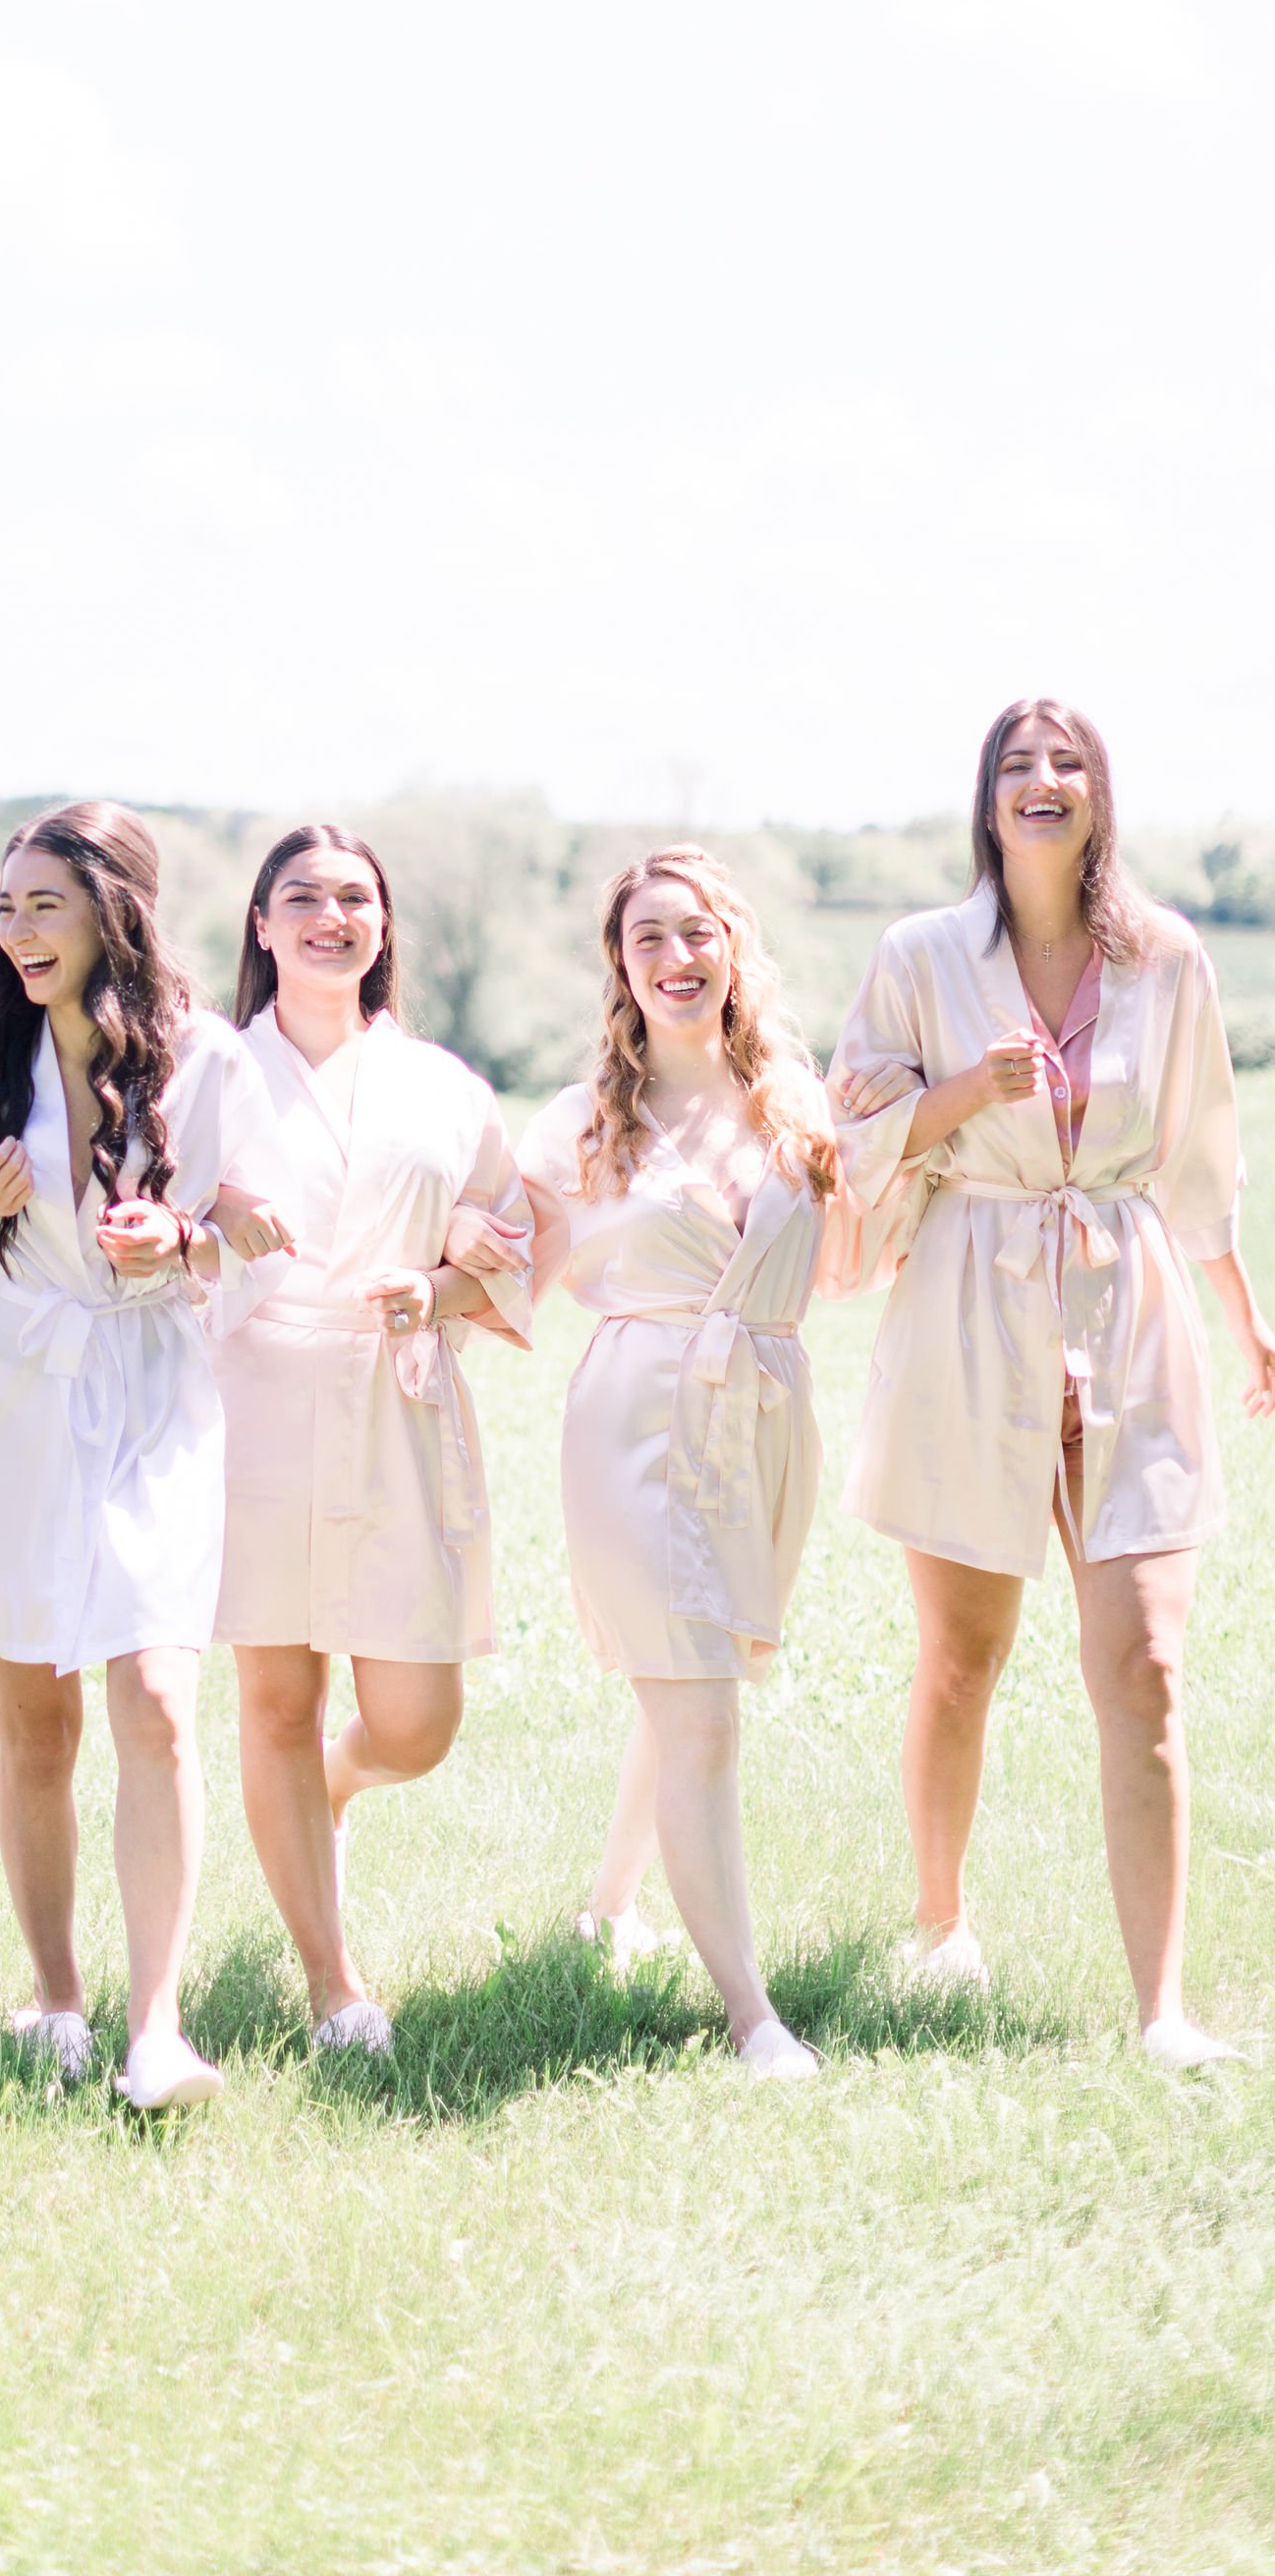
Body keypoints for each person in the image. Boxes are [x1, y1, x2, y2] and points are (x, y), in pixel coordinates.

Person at [829, 699, 1275, 2066]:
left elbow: (1200, 1159)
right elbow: (850, 1135)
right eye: (1018, 764)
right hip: (971, 1304)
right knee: (963, 1659)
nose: (1043, 779)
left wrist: (1251, 1327)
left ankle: (1162, 2013)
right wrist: (967, 1090)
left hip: (1128, 1313)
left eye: (1067, 761)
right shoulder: (918, 956)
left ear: (1099, 797)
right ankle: (941, 1922)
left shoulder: (1170, 961)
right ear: (987, 800)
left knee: (1144, 1663)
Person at [0, 803, 289, 2112]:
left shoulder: (206, 1058)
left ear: (113, 910)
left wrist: (180, 1247)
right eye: (6, 909)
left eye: (43, 906)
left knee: (162, 1702)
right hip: (16, 1394)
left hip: (154, 1390)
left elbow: (255, 1226)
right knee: (36, 1723)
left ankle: (155, 2025)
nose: (16, 933)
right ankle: (57, 1995)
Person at [510, 847, 854, 2083]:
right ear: (621, 968)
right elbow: (500, 1261)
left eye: (696, 932)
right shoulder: (581, 1125)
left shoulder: (796, 1103)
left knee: (693, 1672)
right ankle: (753, 2017)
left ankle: (610, 1908)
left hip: (761, 1411)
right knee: (698, 1704)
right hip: (636, 1421)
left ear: (734, 947)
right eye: (647, 938)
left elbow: (857, 1256)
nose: (676, 957)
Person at [209, 824, 532, 2054]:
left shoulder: (443, 1086)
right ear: (263, 924)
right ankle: (332, 1982)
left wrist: (437, 1293)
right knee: (275, 1697)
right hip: (256, 1401)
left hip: (393, 1402)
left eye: (355, 899)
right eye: (303, 898)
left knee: (416, 1722)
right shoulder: (211, 1071)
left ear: (383, 927)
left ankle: (341, 1785)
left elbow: (504, 1235)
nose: (330, 917)